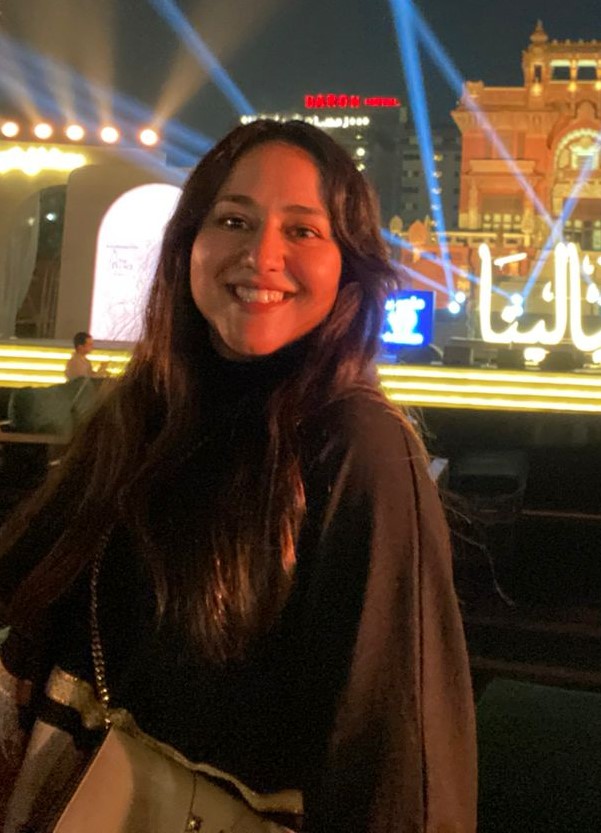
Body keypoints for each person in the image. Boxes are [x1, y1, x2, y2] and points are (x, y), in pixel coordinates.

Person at [0, 119, 477, 832]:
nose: (261, 255)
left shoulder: (358, 448)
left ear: (348, 265)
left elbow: (398, 761)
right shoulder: (141, 414)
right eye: (233, 220)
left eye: (303, 230)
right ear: (187, 243)